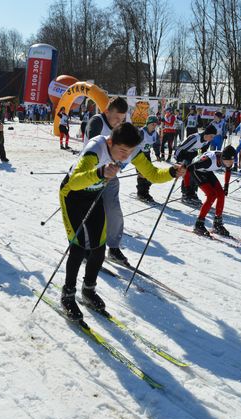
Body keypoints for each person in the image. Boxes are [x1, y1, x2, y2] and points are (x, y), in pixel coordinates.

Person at [58, 122, 186, 320]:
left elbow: (151, 174)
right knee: (78, 247)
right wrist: (100, 173)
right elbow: (75, 182)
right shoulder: (96, 148)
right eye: (122, 151)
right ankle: (67, 295)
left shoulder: (131, 151)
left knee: (99, 247)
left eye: (130, 152)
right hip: (72, 196)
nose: (125, 157)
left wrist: (171, 172)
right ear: (111, 142)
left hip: (94, 195)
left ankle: (88, 290)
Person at [83, 97, 130, 264]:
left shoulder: (120, 128)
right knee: (91, 213)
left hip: (110, 174)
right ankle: (86, 249)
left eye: (122, 119)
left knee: (114, 210)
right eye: (116, 118)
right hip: (91, 173)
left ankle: (114, 248)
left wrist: (121, 163)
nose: (119, 123)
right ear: (107, 111)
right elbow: (94, 143)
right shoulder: (96, 122)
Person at [183, 146, 236, 237]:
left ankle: (217, 224)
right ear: (223, 158)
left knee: (221, 194)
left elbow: (228, 170)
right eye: (228, 161)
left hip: (207, 170)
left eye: (232, 161)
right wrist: (187, 187)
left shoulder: (227, 158)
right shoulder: (208, 161)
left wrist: (226, 186)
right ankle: (199, 224)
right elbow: (188, 169)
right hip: (196, 171)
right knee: (212, 195)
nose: (230, 163)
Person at [174, 125, 217, 205]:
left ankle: (192, 192)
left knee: (196, 172)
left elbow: (203, 151)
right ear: (206, 134)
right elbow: (180, 149)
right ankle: (186, 194)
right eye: (211, 136)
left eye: (213, 137)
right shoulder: (194, 138)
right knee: (188, 173)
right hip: (183, 154)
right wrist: (179, 161)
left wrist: (201, 159)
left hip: (193, 155)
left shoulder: (207, 141)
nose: (212, 138)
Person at [137, 116, 160, 202]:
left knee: (150, 175)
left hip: (147, 155)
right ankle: (141, 193)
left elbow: (156, 144)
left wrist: (157, 154)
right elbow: (133, 144)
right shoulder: (141, 132)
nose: (154, 126)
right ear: (148, 124)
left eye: (156, 124)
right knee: (142, 175)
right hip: (138, 155)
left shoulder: (155, 134)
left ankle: (145, 192)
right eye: (153, 124)